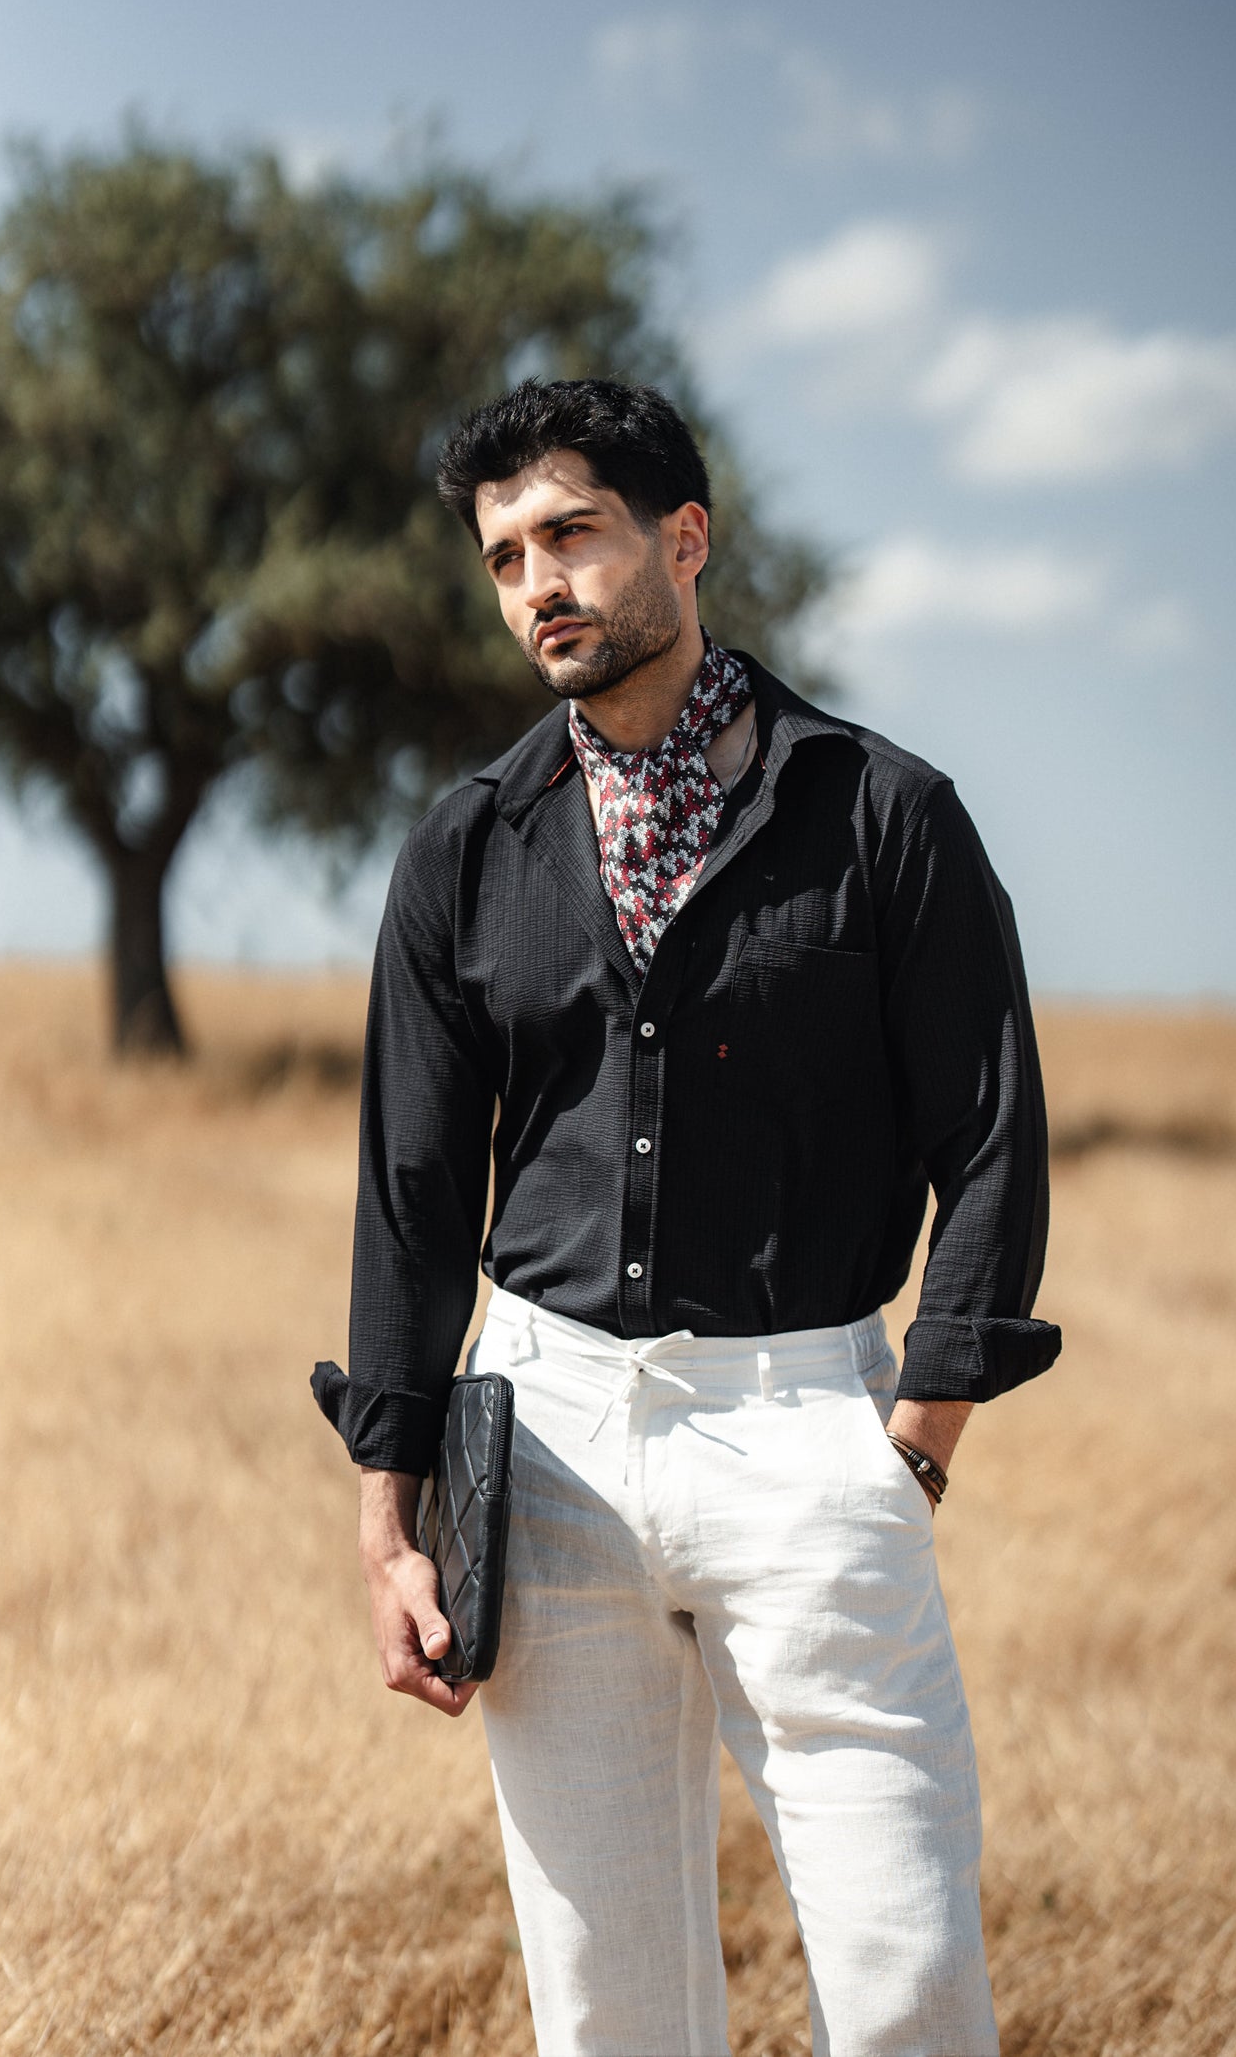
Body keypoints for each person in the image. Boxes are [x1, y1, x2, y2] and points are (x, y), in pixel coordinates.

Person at [330, 376, 1060, 2057]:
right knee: (610, 2015)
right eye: (506, 557)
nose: (540, 587)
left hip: (809, 1431)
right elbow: (415, 1195)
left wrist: (913, 1441)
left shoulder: (882, 814)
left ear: (684, 537)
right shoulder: (464, 847)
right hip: (548, 1442)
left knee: (906, 1993)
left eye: (572, 534)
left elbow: (994, 1140)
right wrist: (391, 1514)